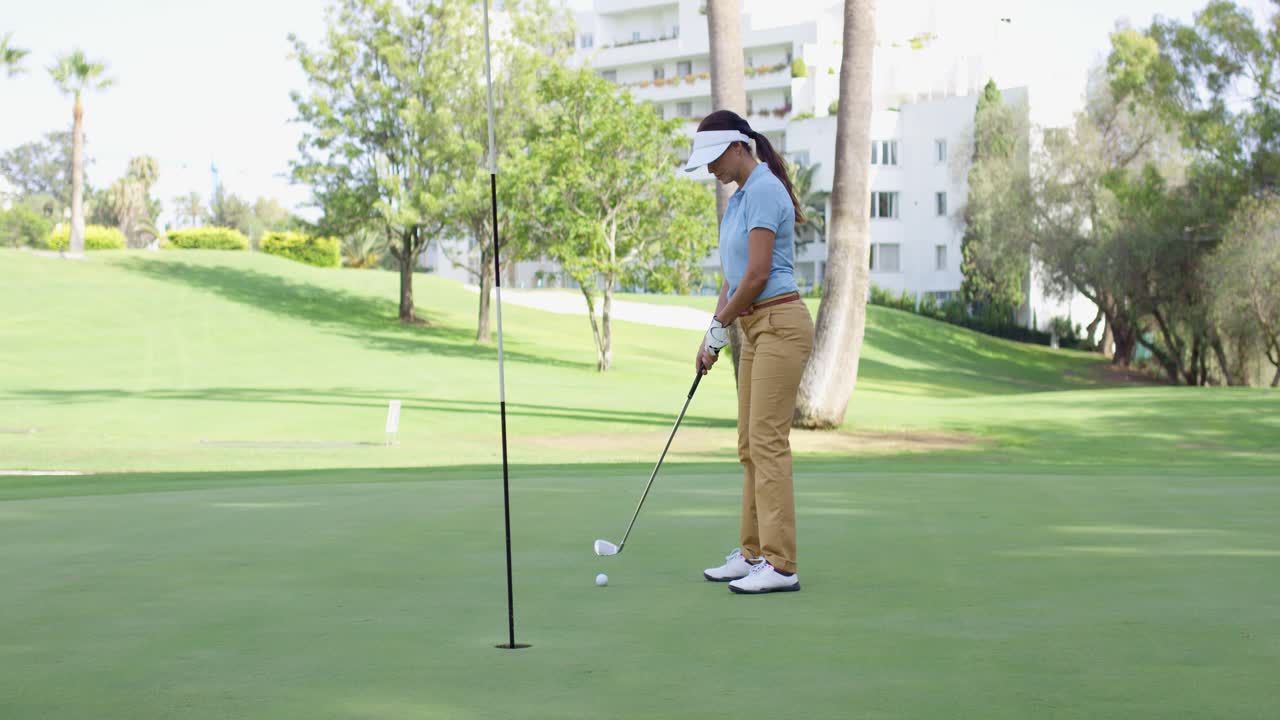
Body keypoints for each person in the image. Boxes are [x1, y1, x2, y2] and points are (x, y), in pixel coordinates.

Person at [685, 110, 814, 595]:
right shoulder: (739, 201)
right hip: (753, 329)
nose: (710, 170)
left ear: (738, 147)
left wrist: (721, 326)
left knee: (767, 443)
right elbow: (732, 279)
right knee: (748, 444)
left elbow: (758, 275)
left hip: (780, 323)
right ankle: (753, 553)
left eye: (713, 159)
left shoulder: (763, 190)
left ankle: (781, 566)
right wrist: (711, 335)